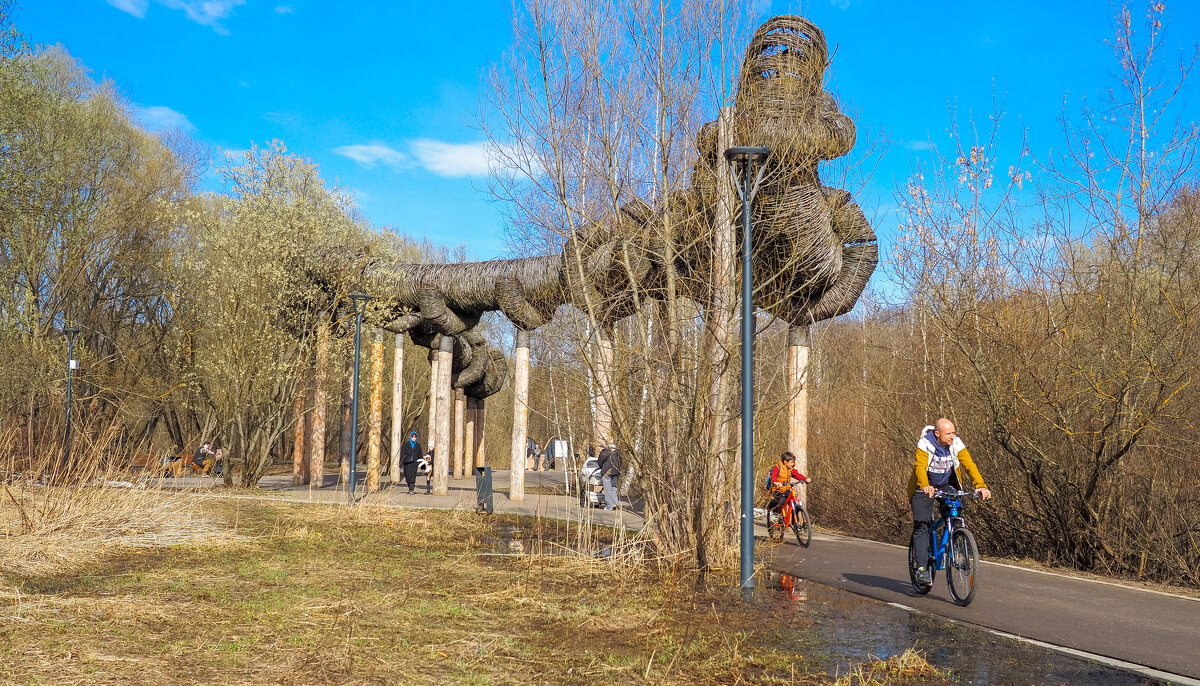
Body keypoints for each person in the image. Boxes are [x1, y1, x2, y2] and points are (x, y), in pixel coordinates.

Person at [908, 418, 992, 584]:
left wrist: (981, 486)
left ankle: (953, 545)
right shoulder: (925, 443)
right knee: (922, 525)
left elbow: (969, 464)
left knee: (955, 510)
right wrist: (925, 486)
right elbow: (919, 467)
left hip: (946, 484)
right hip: (923, 486)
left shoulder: (956, 443)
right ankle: (922, 568)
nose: (952, 436)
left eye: (954, 432)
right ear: (937, 434)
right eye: (948, 434)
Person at [765, 451, 809, 520]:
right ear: (785, 461)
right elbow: (773, 476)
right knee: (782, 501)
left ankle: (796, 523)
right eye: (791, 462)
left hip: (786, 489)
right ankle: (776, 513)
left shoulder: (791, 469)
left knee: (793, 503)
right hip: (777, 489)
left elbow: (797, 475)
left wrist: (805, 479)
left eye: (793, 462)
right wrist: (775, 482)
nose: (793, 464)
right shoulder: (777, 467)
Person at [595, 443, 621, 510]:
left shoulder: (605, 452)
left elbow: (600, 461)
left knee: (607, 489)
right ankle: (615, 504)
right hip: (616, 471)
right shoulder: (618, 453)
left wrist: (602, 467)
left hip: (607, 472)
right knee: (614, 487)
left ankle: (609, 506)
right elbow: (620, 462)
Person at [400, 430, 422, 495]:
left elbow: (420, 455)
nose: (414, 438)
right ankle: (409, 487)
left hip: (414, 463)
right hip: (407, 463)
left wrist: (422, 465)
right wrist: (401, 463)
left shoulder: (418, 446)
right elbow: (402, 454)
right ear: (410, 437)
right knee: (407, 476)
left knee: (413, 476)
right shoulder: (405, 445)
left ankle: (411, 489)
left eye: (415, 437)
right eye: (412, 436)